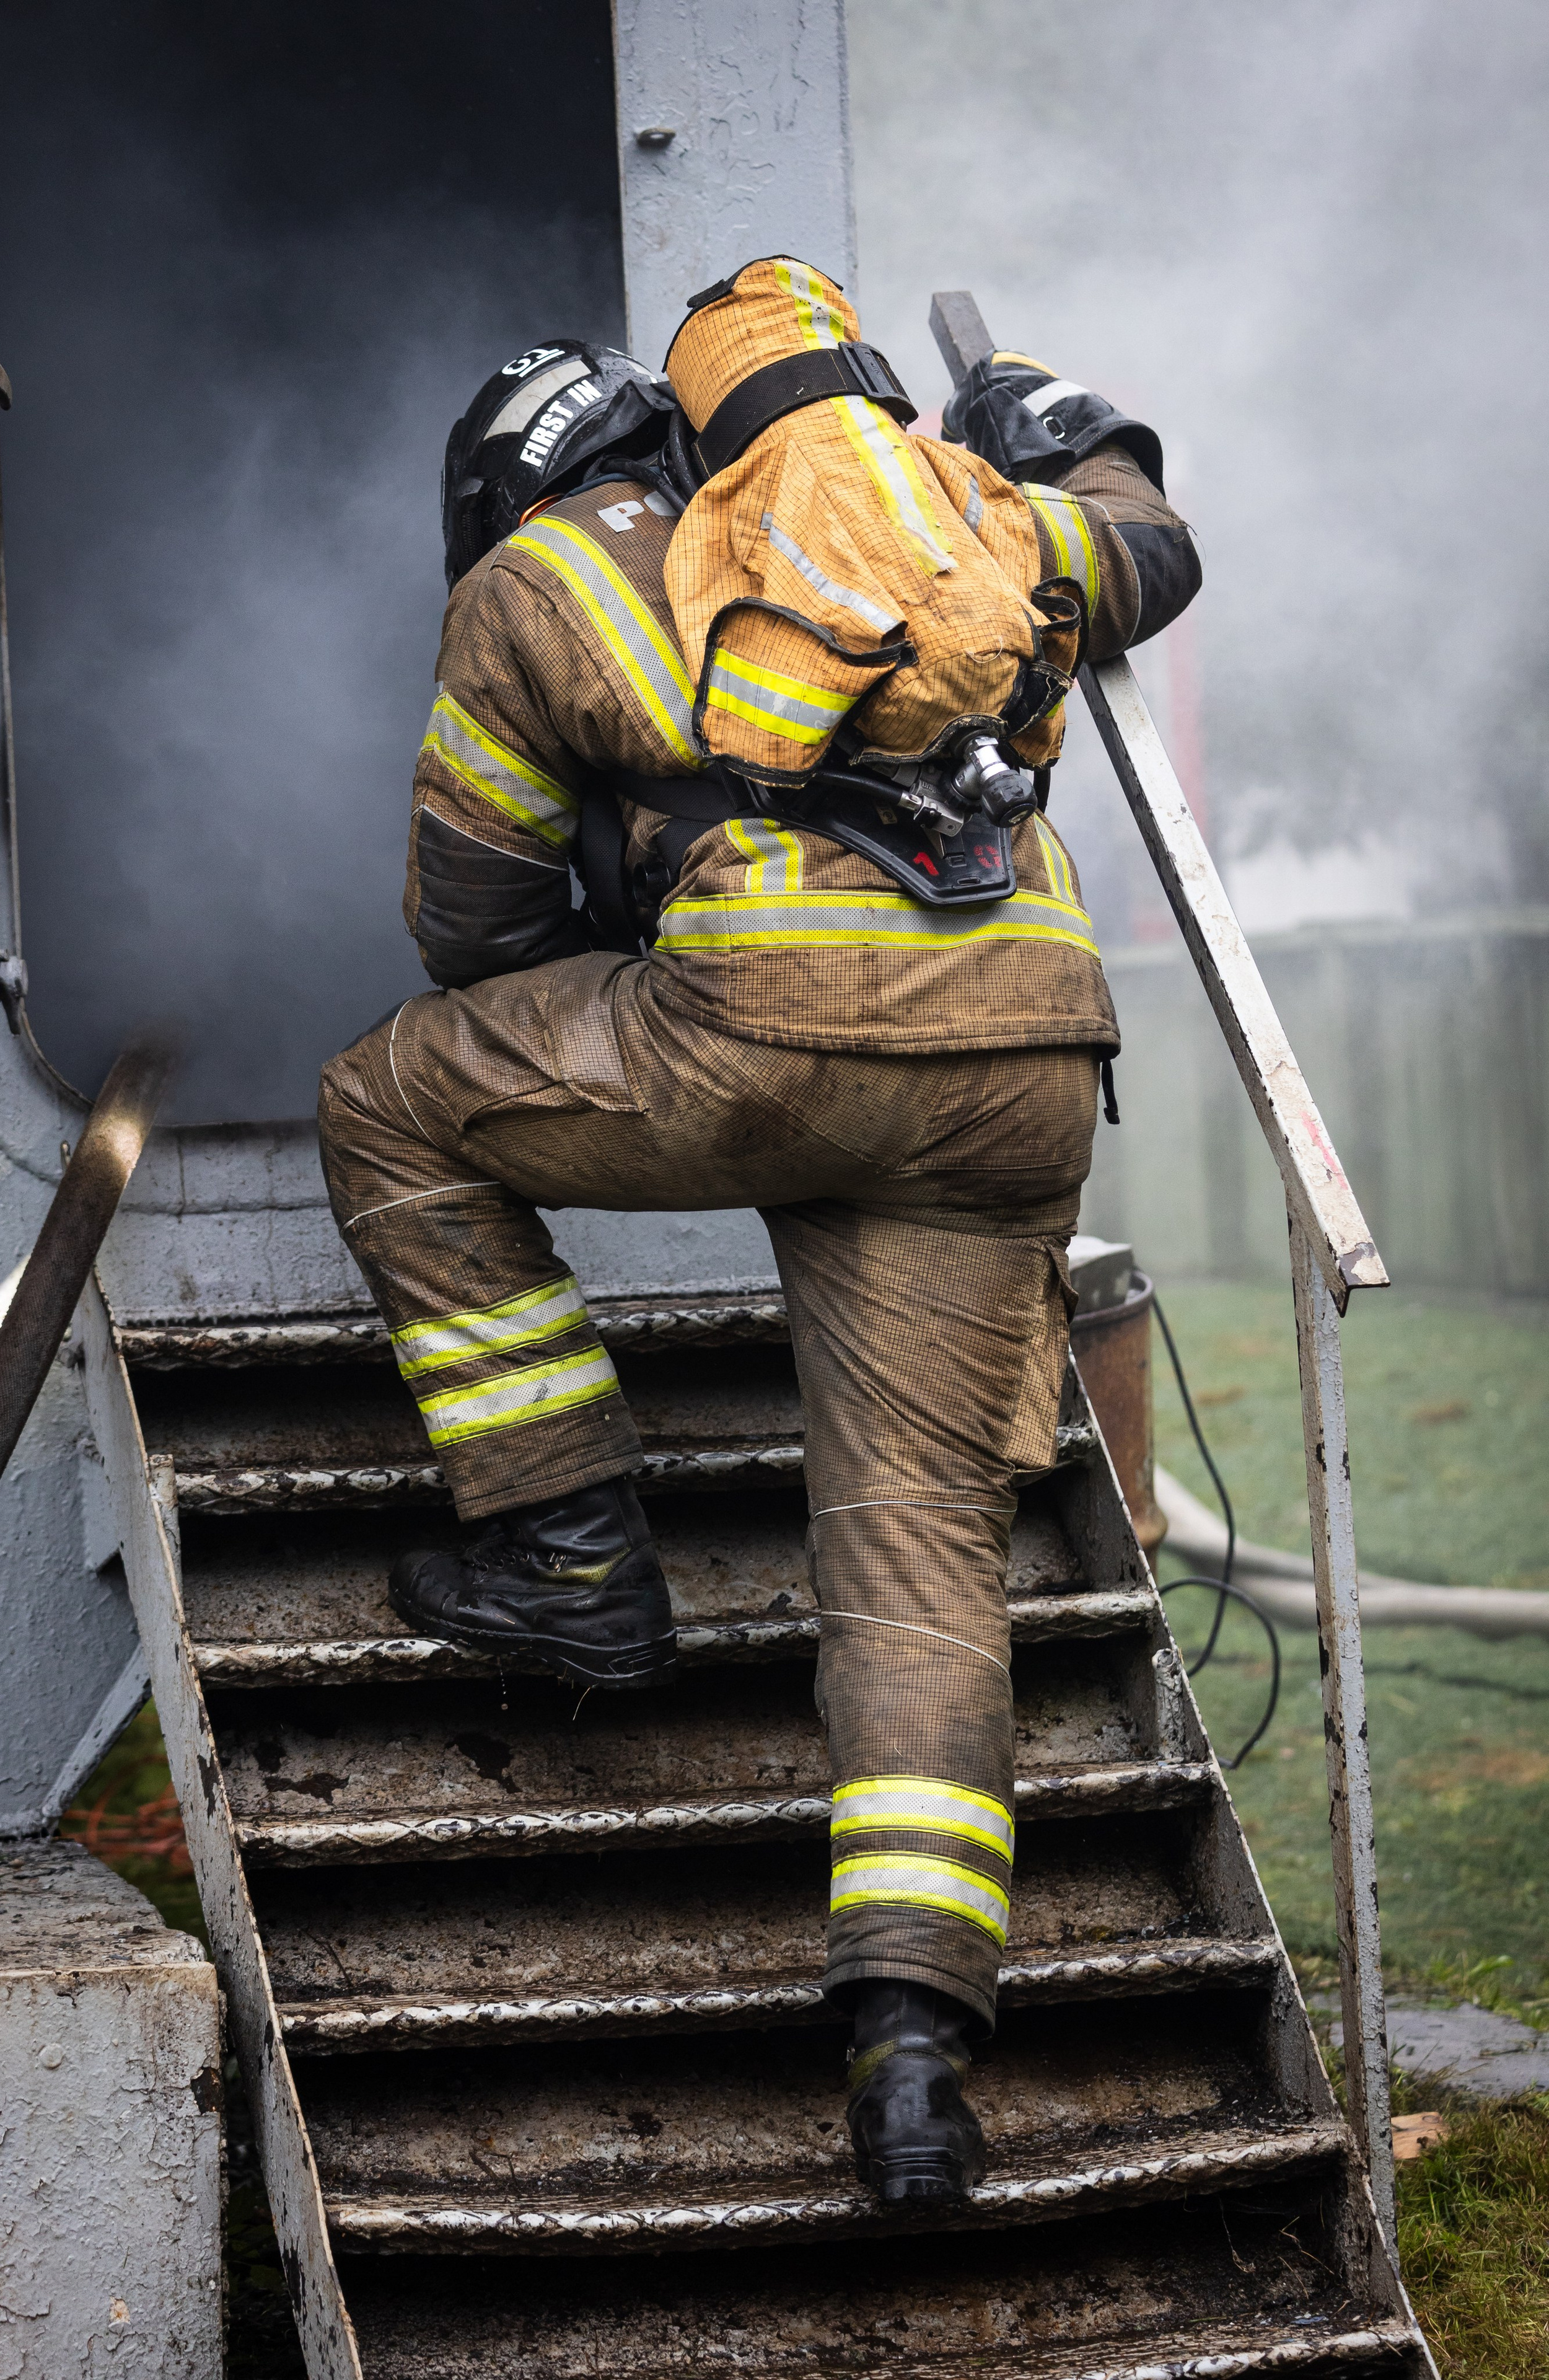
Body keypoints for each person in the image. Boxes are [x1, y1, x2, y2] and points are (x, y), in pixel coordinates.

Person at [318, 257, 1200, 2206]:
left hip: (769, 1026)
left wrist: (647, 900)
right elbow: (1148, 539)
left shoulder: (541, 581)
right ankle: (911, 2062)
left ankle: (567, 1548)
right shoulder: (941, 509)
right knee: (915, 1551)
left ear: (501, 488)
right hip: (1027, 1056)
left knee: (387, 1098)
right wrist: (1052, 418)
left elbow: (469, 927)